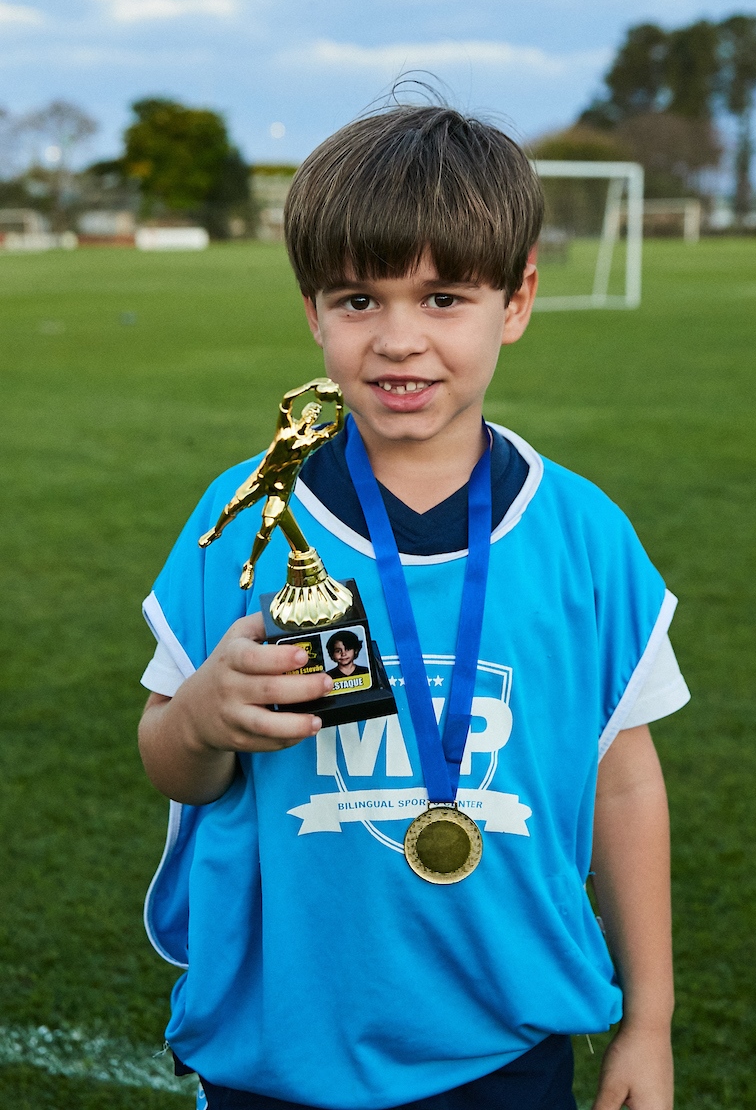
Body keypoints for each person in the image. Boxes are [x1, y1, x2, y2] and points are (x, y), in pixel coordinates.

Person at [138, 104, 689, 1110]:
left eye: (442, 298)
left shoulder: (583, 536)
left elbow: (622, 783)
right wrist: (199, 718)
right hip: (280, 1049)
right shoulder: (246, 518)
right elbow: (167, 759)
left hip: (503, 1042)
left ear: (514, 300)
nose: (398, 341)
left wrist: (645, 1022)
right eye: (358, 298)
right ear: (311, 307)